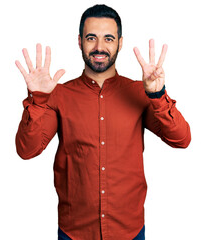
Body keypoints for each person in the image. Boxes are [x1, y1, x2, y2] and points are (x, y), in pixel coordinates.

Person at [15, 4, 191, 240]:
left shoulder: (140, 92)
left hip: (129, 230)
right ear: (79, 42)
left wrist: (158, 96)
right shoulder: (58, 95)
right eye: (91, 38)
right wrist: (38, 99)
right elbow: (27, 150)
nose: (99, 47)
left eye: (108, 38)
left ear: (120, 42)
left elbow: (181, 139)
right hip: (75, 231)